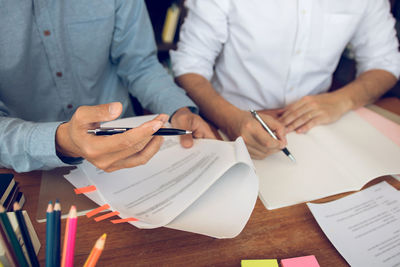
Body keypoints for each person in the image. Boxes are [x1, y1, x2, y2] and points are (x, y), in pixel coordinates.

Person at [0, 0, 215, 173]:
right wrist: (58, 141)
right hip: (26, 169)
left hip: (128, 154)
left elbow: (140, 65)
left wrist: (178, 108)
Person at [171, 0, 400, 159]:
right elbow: (190, 65)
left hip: (318, 128)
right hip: (227, 120)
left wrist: (344, 100)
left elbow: (386, 62)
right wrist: (230, 119)